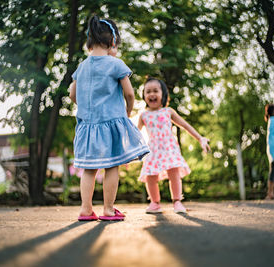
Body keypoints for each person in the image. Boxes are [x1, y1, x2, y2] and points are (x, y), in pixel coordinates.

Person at [69, 15, 149, 221]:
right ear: (112, 42)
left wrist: (87, 108)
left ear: (90, 41)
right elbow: (129, 93)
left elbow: (72, 94)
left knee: (88, 169)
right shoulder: (115, 64)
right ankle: (108, 209)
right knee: (112, 165)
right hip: (110, 124)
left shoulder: (82, 66)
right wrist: (128, 112)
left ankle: (85, 209)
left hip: (87, 125)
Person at [137, 77, 210, 214]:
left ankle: (177, 201)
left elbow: (185, 126)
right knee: (150, 176)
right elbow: (135, 134)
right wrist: (127, 151)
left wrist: (200, 138)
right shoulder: (143, 115)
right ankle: (154, 202)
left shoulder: (168, 111)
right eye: (148, 92)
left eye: (155, 91)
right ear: (144, 96)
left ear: (163, 94)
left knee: (174, 174)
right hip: (152, 151)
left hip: (169, 148)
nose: (152, 94)